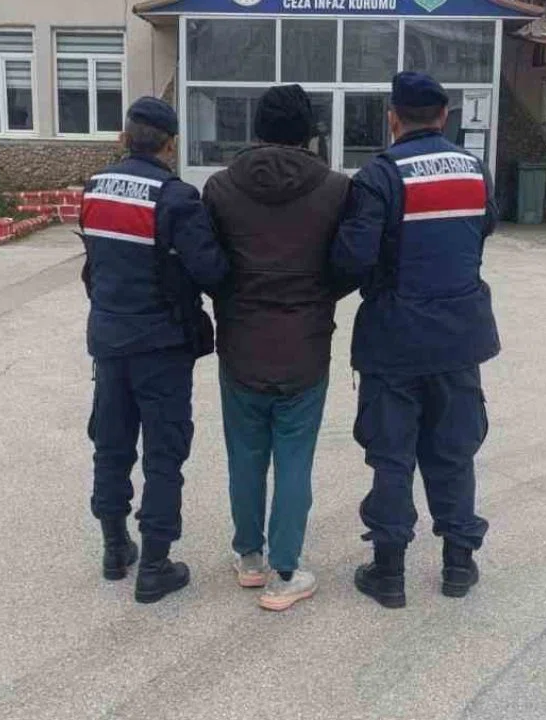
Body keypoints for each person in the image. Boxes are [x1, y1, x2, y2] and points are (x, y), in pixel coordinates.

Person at [332, 72, 500, 609]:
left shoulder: (380, 175)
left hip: (395, 340)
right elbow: (484, 229)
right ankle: (458, 564)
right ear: (444, 116)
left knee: (392, 455)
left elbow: (353, 258)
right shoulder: (474, 169)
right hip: (459, 339)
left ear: (393, 118)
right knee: (454, 451)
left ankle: (388, 572)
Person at [203, 85, 351, 612]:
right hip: (305, 345)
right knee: (294, 458)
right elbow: (350, 261)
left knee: (245, 455)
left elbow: (208, 263)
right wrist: (320, 296)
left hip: (241, 341)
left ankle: (249, 557)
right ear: (309, 131)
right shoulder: (336, 189)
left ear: (257, 128)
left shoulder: (220, 188)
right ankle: (285, 571)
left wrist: (231, 298)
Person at [80, 97, 228, 604]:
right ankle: (156, 564)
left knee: (111, 444)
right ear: (171, 145)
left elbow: (96, 262)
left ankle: (114, 549)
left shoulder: (95, 188)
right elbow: (211, 271)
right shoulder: (176, 198)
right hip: (162, 345)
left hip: (108, 341)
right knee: (164, 453)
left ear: (124, 138)